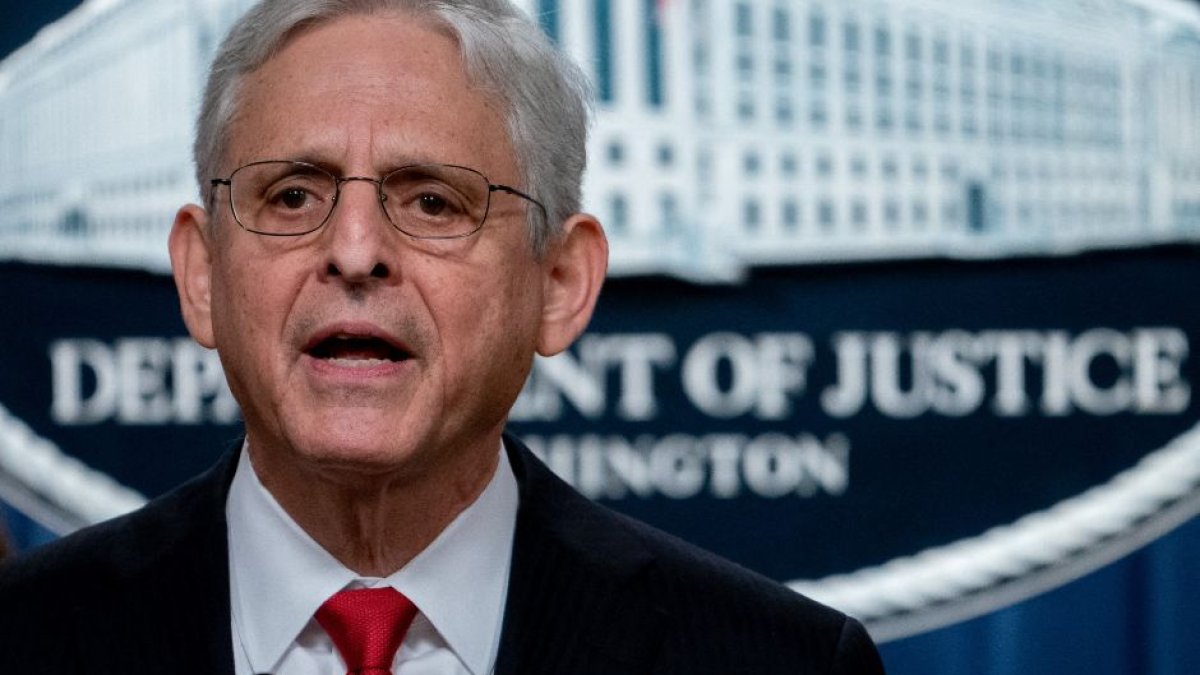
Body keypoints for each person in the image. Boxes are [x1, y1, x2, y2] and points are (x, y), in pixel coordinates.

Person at [0, 1, 885, 673]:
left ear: (560, 283)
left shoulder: (777, 663)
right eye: (293, 195)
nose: (354, 252)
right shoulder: (30, 637)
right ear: (199, 274)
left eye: (432, 200)